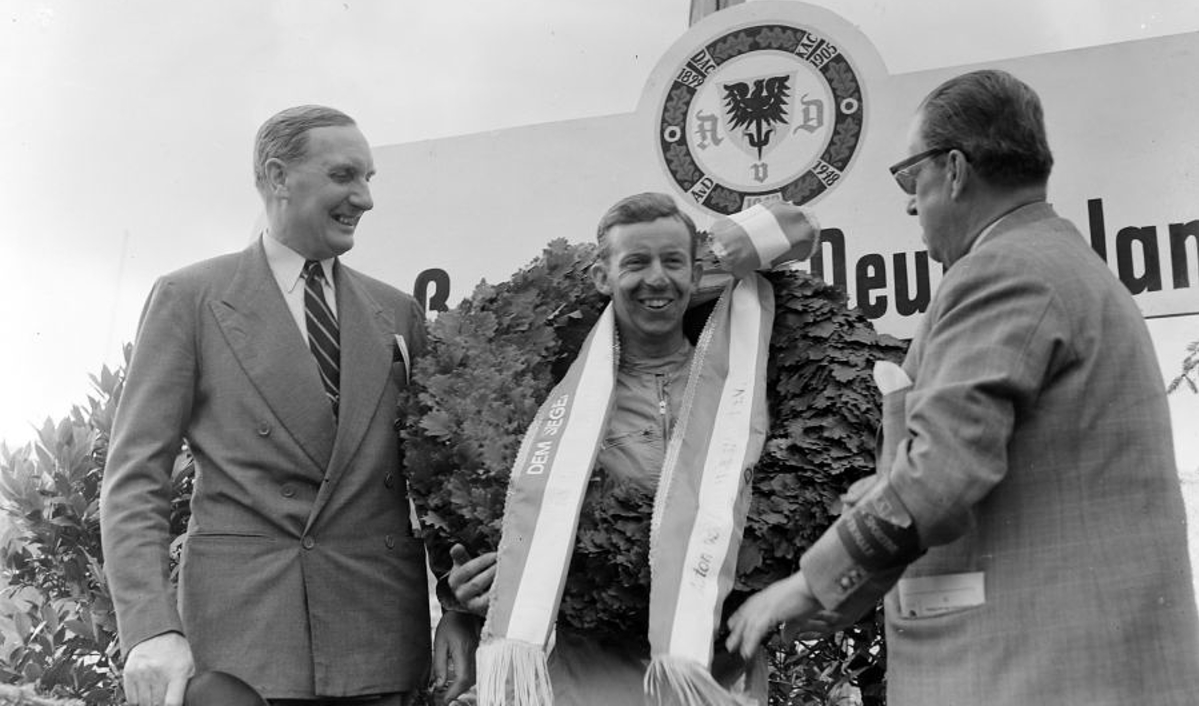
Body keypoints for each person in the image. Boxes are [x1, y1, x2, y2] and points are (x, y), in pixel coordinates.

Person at [725, 69, 1199, 705]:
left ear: (953, 169)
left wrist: (813, 582)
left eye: (908, 178)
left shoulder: (1001, 273)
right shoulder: (1059, 264)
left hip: (1030, 673)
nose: (910, 205)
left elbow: (939, 475)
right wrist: (857, 584)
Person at [99, 105, 477, 706]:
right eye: (345, 176)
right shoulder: (191, 298)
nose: (365, 198)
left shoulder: (397, 312)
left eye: (369, 179)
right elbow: (134, 477)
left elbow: (431, 481)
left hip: (376, 638)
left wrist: (455, 607)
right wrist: (150, 628)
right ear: (278, 177)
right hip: (242, 645)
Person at [448, 192, 819, 706]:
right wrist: (470, 594)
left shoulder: (751, 383)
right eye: (636, 263)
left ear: (695, 271)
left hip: (716, 681)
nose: (657, 279)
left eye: (672, 261)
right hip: (584, 683)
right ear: (602, 276)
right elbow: (501, 521)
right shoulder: (550, 400)